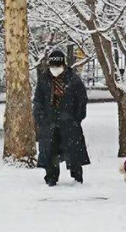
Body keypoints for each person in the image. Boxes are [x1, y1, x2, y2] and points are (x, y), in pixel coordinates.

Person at [33, 49, 90, 186]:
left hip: (69, 121)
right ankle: (51, 176)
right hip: (49, 121)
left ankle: (77, 176)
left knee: (73, 149)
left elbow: (81, 100)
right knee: (50, 150)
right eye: (53, 65)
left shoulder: (73, 79)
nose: (55, 68)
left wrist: (76, 117)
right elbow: (38, 100)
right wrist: (40, 117)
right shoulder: (44, 79)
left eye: (58, 65)